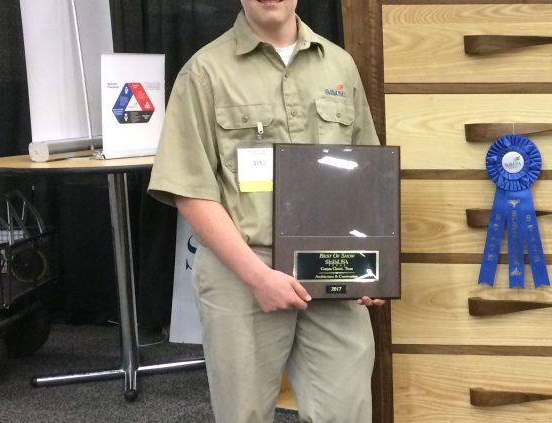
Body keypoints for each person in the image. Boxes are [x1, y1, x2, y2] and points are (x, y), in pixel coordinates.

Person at [147, 1, 383, 421]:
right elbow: (191, 192)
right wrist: (257, 276)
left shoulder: (339, 66)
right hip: (241, 269)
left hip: (332, 266)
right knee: (244, 414)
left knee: (346, 411)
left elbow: (366, 173)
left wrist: (372, 266)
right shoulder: (204, 72)